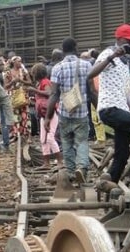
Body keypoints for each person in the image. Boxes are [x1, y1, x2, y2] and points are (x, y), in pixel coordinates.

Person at [88, 23, 130, 184]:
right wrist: (112, 56)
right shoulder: (109, 53)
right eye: (128, 41)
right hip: (110, 108)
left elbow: (125, 98)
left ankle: (110, 185)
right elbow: (90, 74)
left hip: (120, 108)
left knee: (122, 154)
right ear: (119, 39)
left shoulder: (127, 64)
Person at [46, 37, 92, 183]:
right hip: (82, 111)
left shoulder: (57, 68)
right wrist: (99, 109)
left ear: (62, 49)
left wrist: (48, 117)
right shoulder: (87, 65)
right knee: (82, 141)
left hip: (65, 112)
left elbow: (54, 95)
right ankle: (82, 168)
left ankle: (71, 172)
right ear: (76, 47)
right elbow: (92, 91)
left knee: (66, 142)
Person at [27, 63, 63, 169]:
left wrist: (35, 91)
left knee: (50, 138)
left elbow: (49, 93)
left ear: (36, 73)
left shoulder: (45, 82)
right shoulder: (40, 83)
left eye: (33, 73)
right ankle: (46, 163)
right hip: (43, 114)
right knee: (43, 139)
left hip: (50, 113)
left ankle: (60, 161)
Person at [4, 56, 33, 141]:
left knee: (26, 115)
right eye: (18, 61)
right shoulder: (8, 72)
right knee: (15, 116)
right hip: (13, 96)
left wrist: (21, 81)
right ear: (13, 63)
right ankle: (17, 134)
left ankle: (27, 135)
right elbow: (5, 86)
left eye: (20, 61)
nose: (20, 63)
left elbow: (30, 82)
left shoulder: (23, 71)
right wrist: (13, 82)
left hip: (23, 96)